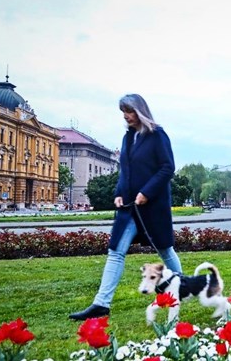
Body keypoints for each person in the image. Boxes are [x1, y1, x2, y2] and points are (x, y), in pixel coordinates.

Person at [69, 94, 182, 321]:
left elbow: (168, 168)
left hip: (152, 207)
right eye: (123, 112)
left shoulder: (157, 135)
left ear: (140, 111)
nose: (126, 116)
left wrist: (146, 193)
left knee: (164, 249)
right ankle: (101, 304)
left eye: (129, 111)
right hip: (129, 208)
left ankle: (179, 287)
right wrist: (119, 193)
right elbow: (125, 171)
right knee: (115, 252)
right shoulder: (127, 138)